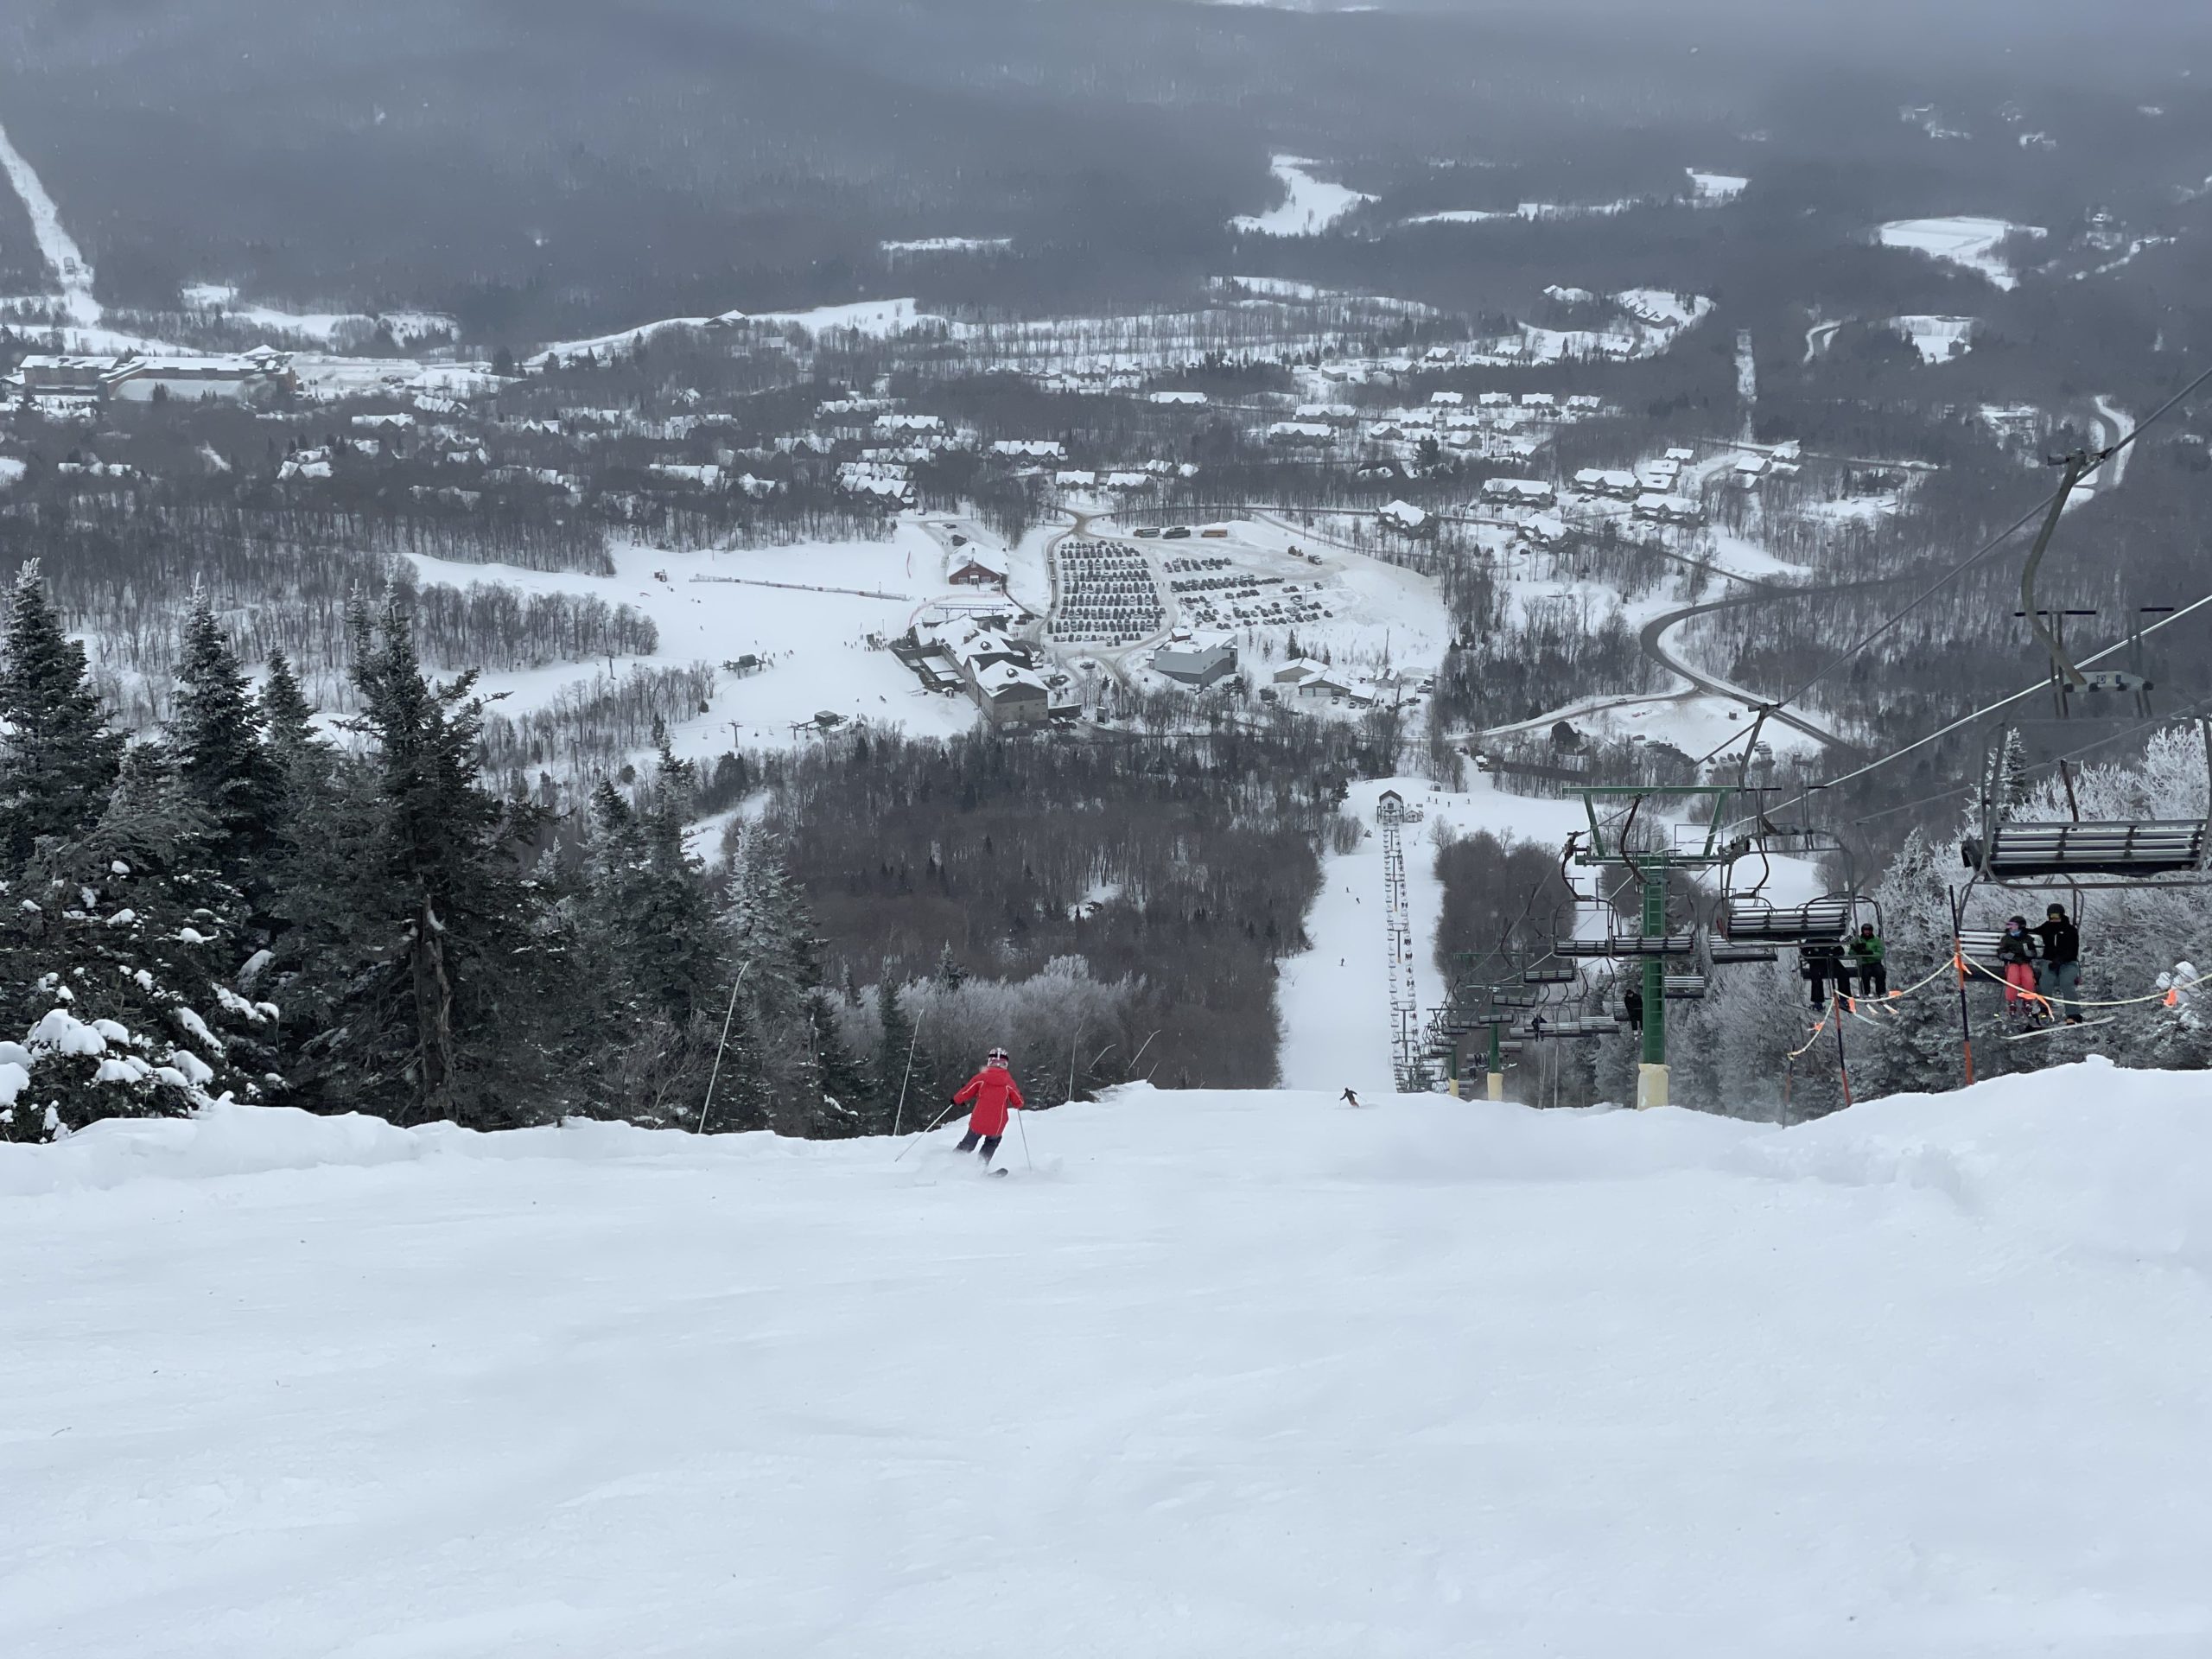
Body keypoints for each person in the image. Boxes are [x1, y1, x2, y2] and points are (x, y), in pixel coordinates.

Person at [951, 1048, 1025, 1166]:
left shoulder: (981, 1078)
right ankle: (981, 1165)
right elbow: (1018, 1102)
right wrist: (1019, 1101)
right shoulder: (1008, 1083)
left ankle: (954, 1160)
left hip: (978, 1120)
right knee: (991, 1143)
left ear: (989, 1062)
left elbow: (967, 1091)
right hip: (997, 1124)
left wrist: (956, 1100)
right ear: (1006, 1064)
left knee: (969, 1142)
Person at [2031, 902, 2083, 1023]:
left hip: (2068, 963)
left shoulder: (2070, 930)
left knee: (2066, 982)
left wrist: (2060, 960)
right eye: (2052, 916)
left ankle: (2073, 1014)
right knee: (2045, 981)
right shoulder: (2046, 927)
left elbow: (2073, 949)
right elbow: (2033, 931)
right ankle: (2044, 1009)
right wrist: (2019, 928)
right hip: (2049, 961)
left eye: (2056, 916)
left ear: (2061, 915)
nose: (2054, 919)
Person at [1995, 914, 2042, 1022]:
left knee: (2028, 978)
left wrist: (2030, 953)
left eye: (2014, 925)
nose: (2011, 927)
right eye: (2010, 925)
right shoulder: (2006, 938)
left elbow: (2033, 952)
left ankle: (2028, 1001)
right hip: (2012, 963)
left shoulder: (2027, 939)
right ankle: (2011, 1002)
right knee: (2013, 978)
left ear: (2020, 927)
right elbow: (2001, 951)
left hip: (2024, 962)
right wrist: (2005, 955)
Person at [1847, 923, 1887, 999]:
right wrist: (1856, 949)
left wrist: (1870, 953)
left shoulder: (1877, 940)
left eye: (1869, 930)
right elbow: (1851, 953)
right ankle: (1865, 992)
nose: (1867, 932)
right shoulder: (1858, 940)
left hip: (1875, 963)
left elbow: (1880, 954)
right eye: (1865, 931)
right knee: (1865, 974)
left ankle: (1881, 992)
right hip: (1864, 963)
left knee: (1880, 973)